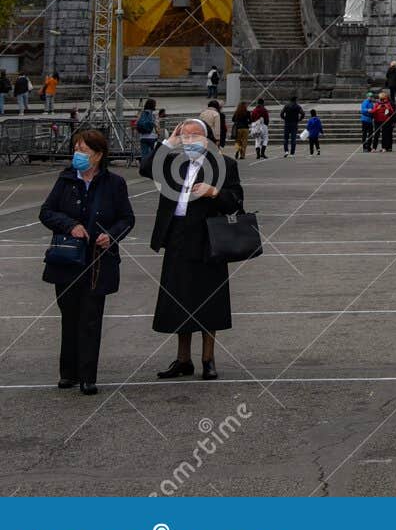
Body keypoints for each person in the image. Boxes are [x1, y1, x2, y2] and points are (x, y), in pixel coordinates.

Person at [142, 116, 244, 381]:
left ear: (208, 139)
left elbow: (235, 202)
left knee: (209, 302)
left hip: (208, 240)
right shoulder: (173, 162)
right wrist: (168, 142)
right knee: (179, 301)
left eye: (195, 136)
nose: (189, 141)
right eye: (185, 136)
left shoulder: (224, 165)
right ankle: (183, 359)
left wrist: (214, 193)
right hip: (177, 237)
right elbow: (145, 168)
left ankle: (208, 359)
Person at [39, 127, 135, 394]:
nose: (77, 154)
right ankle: (67, 372)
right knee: (69, 316)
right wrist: (69, 225)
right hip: (67, 259)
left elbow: (127, 219)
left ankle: (87, 376)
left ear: (98, 155)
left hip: (98, 261)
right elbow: (46, 213)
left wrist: (111, 236)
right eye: (76, 149)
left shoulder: (114, 183)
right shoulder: (66, 179)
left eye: (83, 150)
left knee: (90, 318)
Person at [135, 97, 160, 168]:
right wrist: (158, 133)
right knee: (154, 153)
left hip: (143, 137)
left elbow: (137, 123)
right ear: (153, 105)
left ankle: (144, 167)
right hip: (152, 137)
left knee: (144, 154)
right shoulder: (153, 114)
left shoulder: (141, 113)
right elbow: (156, 125)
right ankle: (153, 167)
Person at [280, 93, 304, 158]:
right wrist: (299, 119)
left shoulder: (286, 106)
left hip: (287, 123)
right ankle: (292, 153)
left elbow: (281, 113)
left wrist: (284, 118)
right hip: (294, 124)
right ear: (295, 100)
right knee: (293, 139)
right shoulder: (297, 106)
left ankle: (286, 151)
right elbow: (303, 113)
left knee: (286, 139)